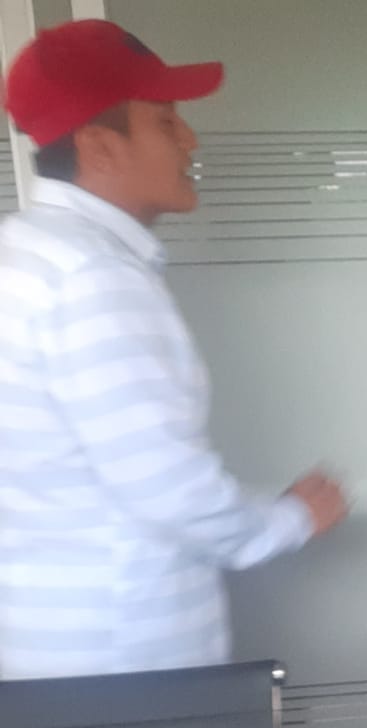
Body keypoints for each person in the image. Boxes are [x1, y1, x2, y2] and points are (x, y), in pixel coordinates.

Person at [0, 20, 346, 681]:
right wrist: (291, 519)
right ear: (101, 147)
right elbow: (168, 489)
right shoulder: (93, 277)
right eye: (165, 122)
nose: (189, 140)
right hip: (124, 664)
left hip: (57, 648)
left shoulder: (26, 252)